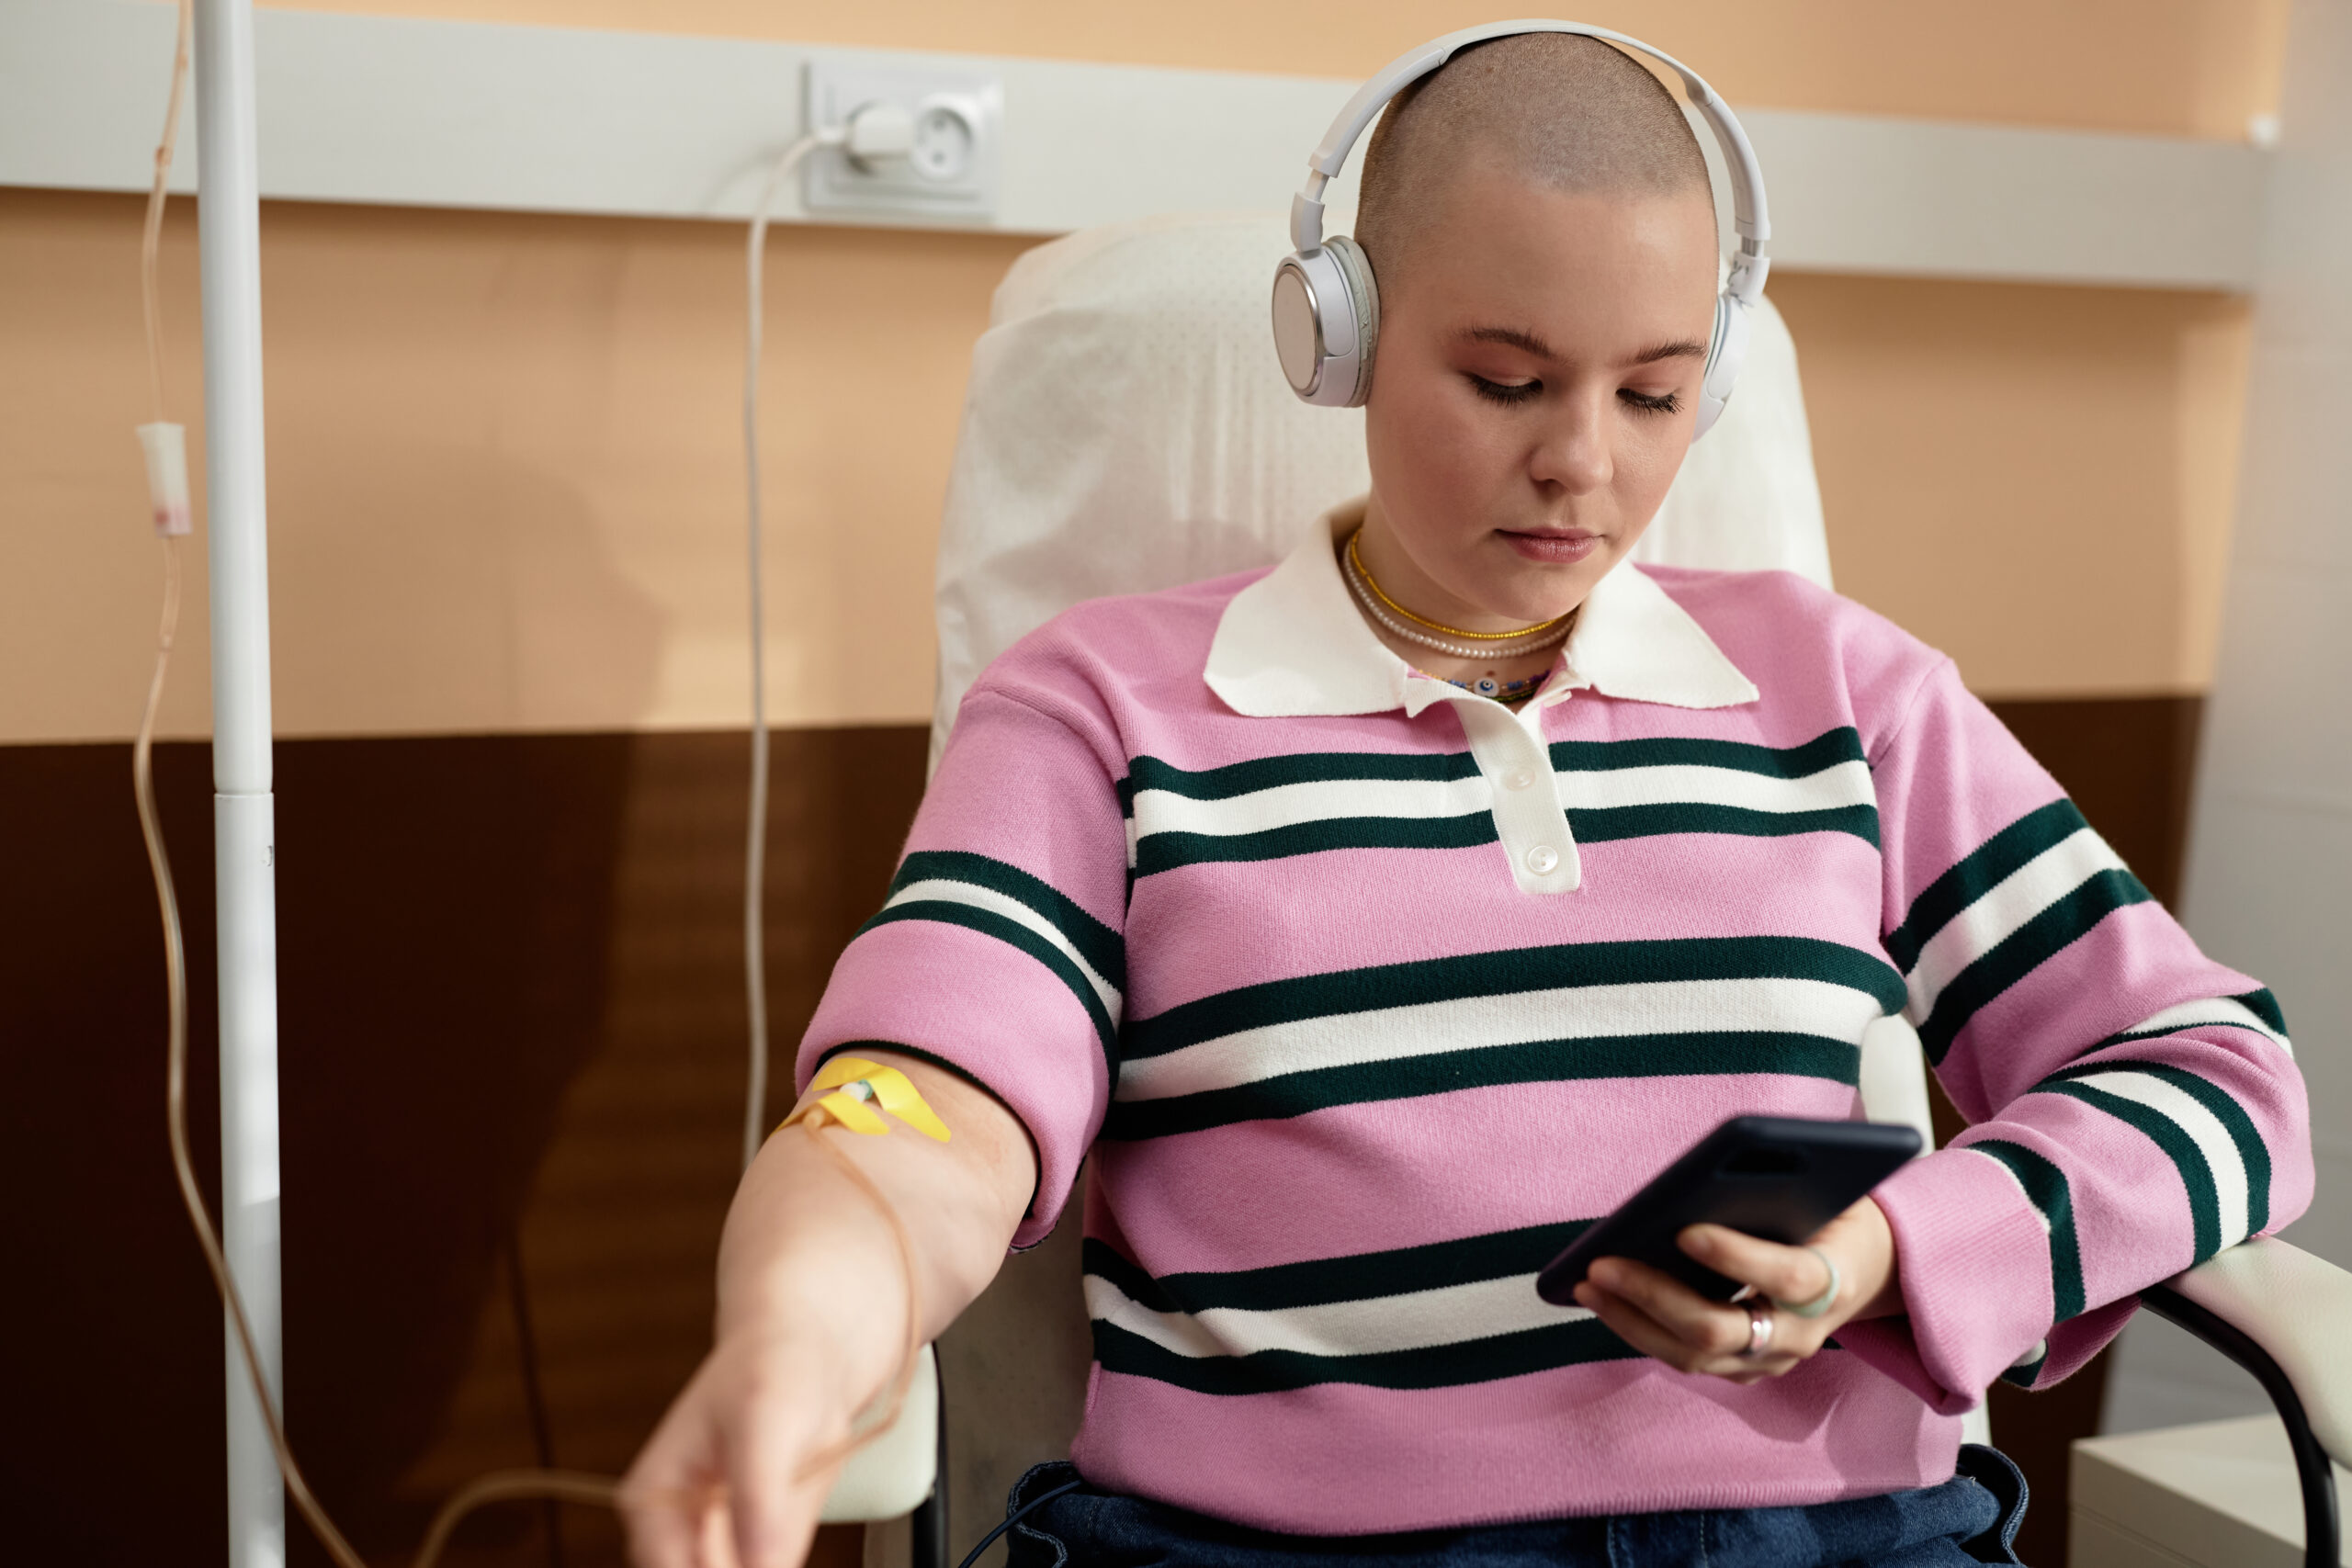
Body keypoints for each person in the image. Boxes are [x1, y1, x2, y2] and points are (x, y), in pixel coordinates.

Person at [622, 31, 2312, 1568]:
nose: (1585, 459)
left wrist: (1896, 1247)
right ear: (1339, 339)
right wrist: (794, 1341)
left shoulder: (1849, 695)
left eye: (1653, 393)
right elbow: (921, 1108)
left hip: (1834, 1544)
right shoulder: (1103, 710)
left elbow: (2224, 1079)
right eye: (1505, 380)